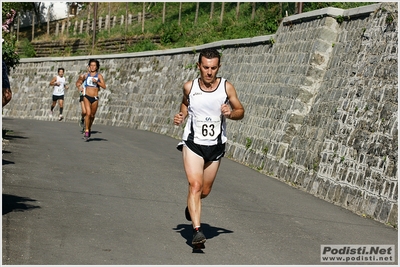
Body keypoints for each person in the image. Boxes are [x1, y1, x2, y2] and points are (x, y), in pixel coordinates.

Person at [173, 48, 245, 246]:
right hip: (193, 143)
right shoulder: (189, 86)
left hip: (215, 146)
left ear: (218, 67)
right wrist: (182, 115)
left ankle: (191, 206)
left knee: (205, 190)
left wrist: (230, 113)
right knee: (195, 185)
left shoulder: (226, 88)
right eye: (205, 67)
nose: (209, 72)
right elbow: (185, 103)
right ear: (199, 66)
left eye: (213, 68)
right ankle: (197, 231)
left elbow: (241, 111)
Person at [75, 59, 106, 140]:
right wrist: (79, 87)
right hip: (87, 97)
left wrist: (97, 82)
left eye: (94, 65)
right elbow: (78, 82)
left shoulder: (99, 76)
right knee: (88, 113)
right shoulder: (85, 75)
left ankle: (89, 127)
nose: (92, 67)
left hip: (95, 98)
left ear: (97, 67)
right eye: (91, 65)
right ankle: (87, 130)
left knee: (92, 116)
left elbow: (104, 86)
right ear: (89, 66)